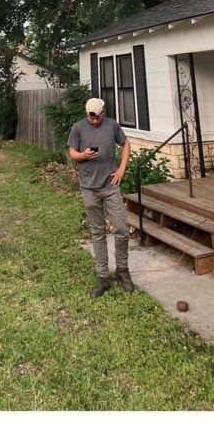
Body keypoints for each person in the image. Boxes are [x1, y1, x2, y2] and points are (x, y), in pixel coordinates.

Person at [67, 97, 133, 297]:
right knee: (98, 232)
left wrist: (121, 169)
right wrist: (83, 155)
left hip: (110, 185)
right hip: (89, 187)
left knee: (121, 228)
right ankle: (103, 277)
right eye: (91, 118)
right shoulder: (78, 128)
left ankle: (122, 271)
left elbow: (126, 144)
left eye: (97, 118)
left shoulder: (112, 125)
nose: (94, 121)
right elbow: (72, 153)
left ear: (103, 112)